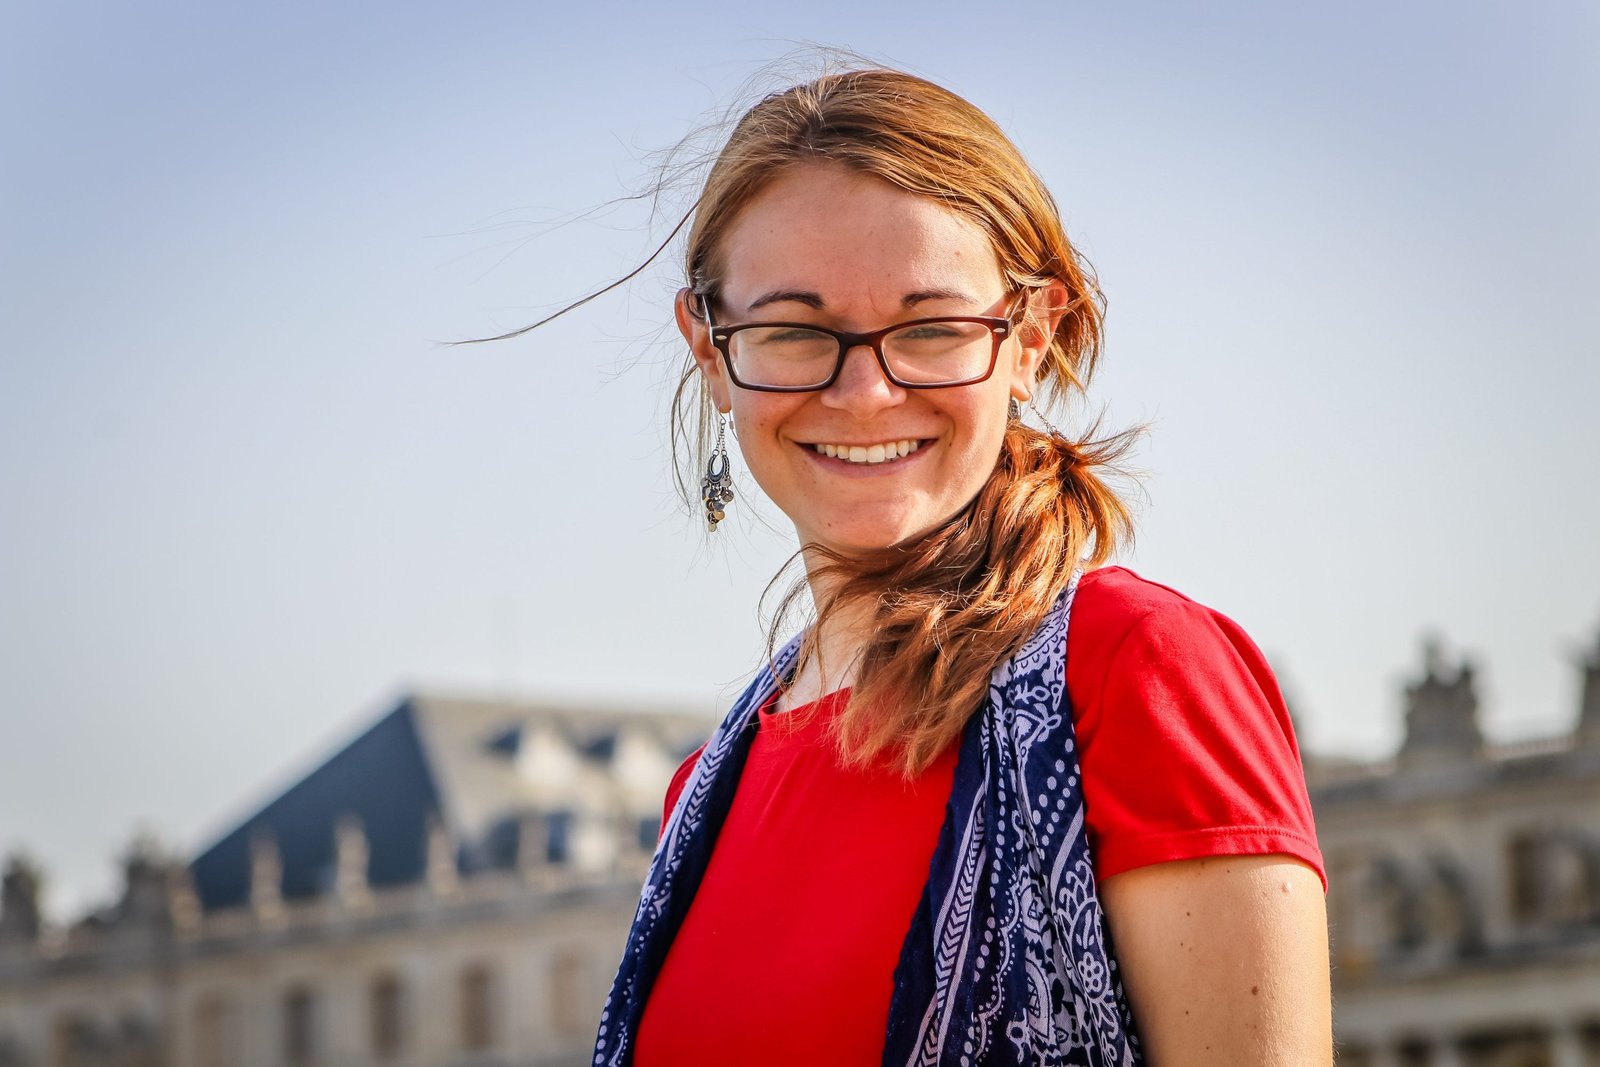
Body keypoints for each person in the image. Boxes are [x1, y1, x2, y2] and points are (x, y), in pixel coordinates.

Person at [591, 67, 1331, 1066]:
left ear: (1029, 338)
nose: (865, 392)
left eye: (932, 328)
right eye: (795, 331)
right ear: (710, 350)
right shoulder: (699, 794)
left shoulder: (1136, 672)